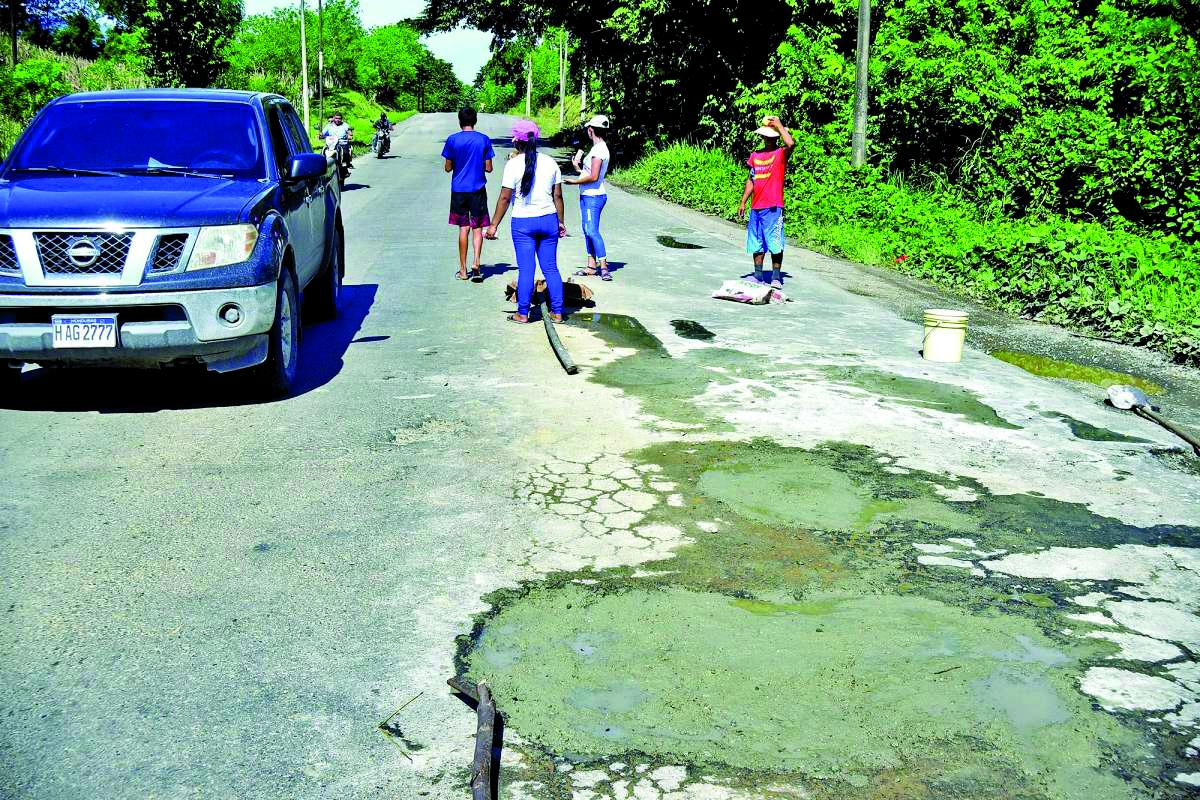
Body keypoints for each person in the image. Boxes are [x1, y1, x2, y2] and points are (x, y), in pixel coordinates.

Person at [485, 120, 568, 324]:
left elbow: (505, 198)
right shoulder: (550, 162)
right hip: (548, 220)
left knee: (526, 269)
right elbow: (558, 196)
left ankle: (523, 313)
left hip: (523, 224)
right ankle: (557, 312)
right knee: (551, 268)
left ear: (516, 141)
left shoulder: (513, 165)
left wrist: (493, 225)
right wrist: (560, 222)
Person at [736, 116, 795, 288]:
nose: (768, 139)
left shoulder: (780, 154)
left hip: (773, 206)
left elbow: (791, 143)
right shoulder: (755, 155)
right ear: (762, 137)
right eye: (766, 136)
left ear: (776, 137)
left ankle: (776, 277)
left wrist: (779, 125)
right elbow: (751, 180)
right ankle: (758, 275)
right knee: (756, 242)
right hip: (756, 206)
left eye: (771, 136)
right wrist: (743, 201)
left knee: (775, 242)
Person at [441, 107, 496, 282]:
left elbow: (448, 167)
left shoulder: (452, 140)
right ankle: (476, 262)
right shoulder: (483, 139)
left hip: (458, 190)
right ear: (475, 121)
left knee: (463, 228)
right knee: (477, 227)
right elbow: (489, 168)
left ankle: (463, 270)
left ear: (459, 121)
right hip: (477, 189)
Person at [563, 115, 612, 281]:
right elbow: (589, 173)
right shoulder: (597, 148)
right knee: (587, 230)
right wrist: (577, 168)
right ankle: (591, 266)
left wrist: (574, 181)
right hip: (588, 194)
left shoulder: (599, 151)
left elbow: (594, 177)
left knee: (591, 230)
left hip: (593, 196)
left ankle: (603, 267)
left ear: (591, 130)